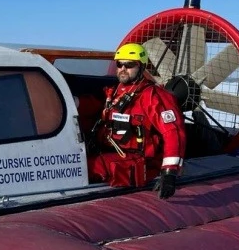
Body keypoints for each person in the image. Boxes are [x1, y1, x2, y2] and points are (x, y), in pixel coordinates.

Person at [80, 43, 186, 199]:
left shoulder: (153, 96)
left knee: (85, 167)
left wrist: (169, 172)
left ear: (141, 67)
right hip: (109, 153)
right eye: (119, 64)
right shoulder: (113, 92)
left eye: (129, 65)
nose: (123, 68)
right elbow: (93, 105)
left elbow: (173, 132)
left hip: (139, 162)